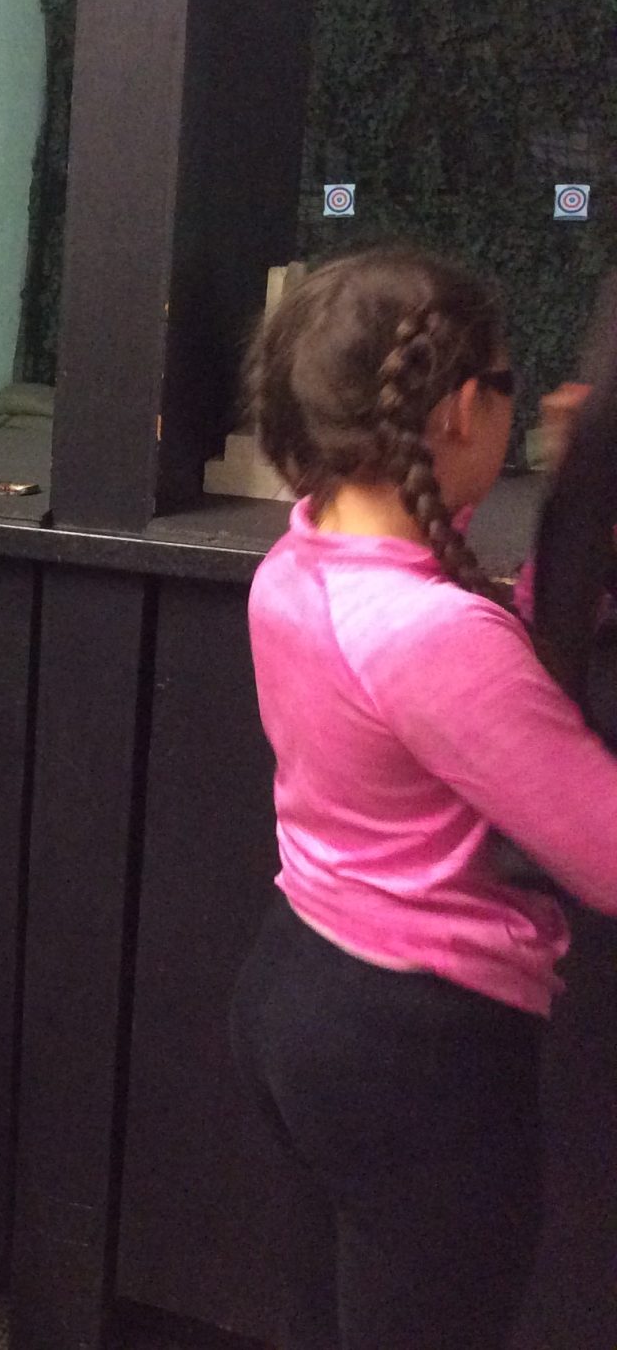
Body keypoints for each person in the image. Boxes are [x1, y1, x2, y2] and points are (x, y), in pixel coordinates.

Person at [229, 246, 617, 1349]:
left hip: (298, 993)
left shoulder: (303, 556)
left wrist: (576, 528)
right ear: (454, 409)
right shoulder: (434, 638)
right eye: (505, 385)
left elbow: (477, 695)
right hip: (416, 1054)